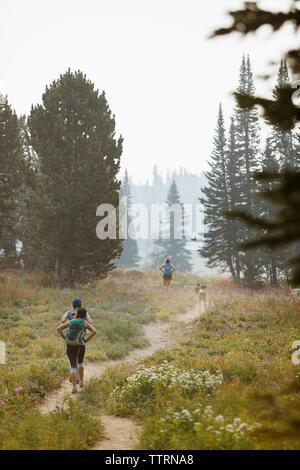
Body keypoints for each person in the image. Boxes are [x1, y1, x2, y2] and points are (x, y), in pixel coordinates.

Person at [57, 308, 96, 394]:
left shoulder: (70, 322)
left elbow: (59, 329)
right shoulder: (85, 323)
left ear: (77, 314)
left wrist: (64, 338)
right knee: (80, 363)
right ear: (85, 316)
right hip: (80, 345)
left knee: (73, 365)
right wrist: (86, 340)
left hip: (70, 346)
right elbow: (94, 331)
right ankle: (81, 382)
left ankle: (74, 387)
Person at [61, 297, 93, 384]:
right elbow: (90, 322)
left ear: (72, 304)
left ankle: (74, 378)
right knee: (79, 359)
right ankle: (78, 379)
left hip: (71, 338)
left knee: (73, 359)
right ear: (80, 304)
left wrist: (71, 323)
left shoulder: (68, 312)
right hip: (81, 338)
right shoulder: (83, 312)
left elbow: (63, 320)